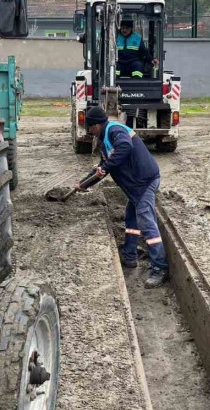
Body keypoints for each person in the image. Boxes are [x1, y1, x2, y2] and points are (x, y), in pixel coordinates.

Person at [78, 107, 169, 288]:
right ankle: (129, 255)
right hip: (135, 187)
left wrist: (106, 166)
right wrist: (83, 183)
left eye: (90, 128)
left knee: (146, 223)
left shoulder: (115, 130)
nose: (89, 132)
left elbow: (125, 147)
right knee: (131, 218)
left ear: (95, 125)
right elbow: (103, 167)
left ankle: (159, 267)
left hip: (144, 182)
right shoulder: (106, 140)